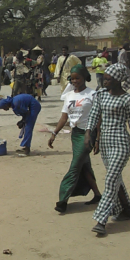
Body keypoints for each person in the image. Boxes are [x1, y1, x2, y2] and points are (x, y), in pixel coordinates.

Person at [85, 63, 130, 235]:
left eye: (108, 79)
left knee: (110, 180)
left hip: (121, 144)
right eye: (104, 77)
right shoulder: (101, 95)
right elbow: (94, 114)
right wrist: (89, 134)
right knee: (115, 178)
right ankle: (125, 210)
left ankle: (101, 220)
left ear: (118, 81)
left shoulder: (128, 99)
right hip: (105, 144)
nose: (104, 81)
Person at [49, 65, 102, 213]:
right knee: (84, 165)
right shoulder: (69, 96)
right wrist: (54, 133)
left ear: (84, 77)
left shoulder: (92, 94)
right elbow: (64, 117)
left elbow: (98, 118)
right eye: (72, 78)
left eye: (77, 78)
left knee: (75, 166)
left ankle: (63, 200)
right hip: (76, 134)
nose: (75, 81)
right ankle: (98, 194)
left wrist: (97, 138)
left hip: (88, 134)